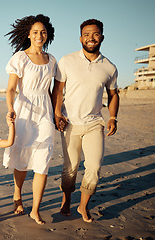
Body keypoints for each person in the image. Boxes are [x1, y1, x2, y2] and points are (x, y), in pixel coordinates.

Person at [52, 19, 119, 223]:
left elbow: (114, 94)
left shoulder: (109, 67)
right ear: (81, 38)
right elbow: (58, 90)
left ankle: (83, 205)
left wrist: (113, 117)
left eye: (96, 34)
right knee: (70, 168)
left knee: (94, 166)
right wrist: (57, 113)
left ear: (102, 37)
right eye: (87, 34)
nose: (91, 38)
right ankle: (66, 198)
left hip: (94, 123)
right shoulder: (66, 61)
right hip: (70, 123)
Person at [2, 15, 57, 224]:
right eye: (35, 32)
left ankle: (35, 209)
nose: (39, 35)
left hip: (45, 110)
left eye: (43, 32)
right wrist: (10, 109)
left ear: (47, 34)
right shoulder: (20, 58)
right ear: (28, 34)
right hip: (24, 110)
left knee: (43, 158)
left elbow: (51, 90)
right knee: (23, 157)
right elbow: (10, 89)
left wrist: (56, 113)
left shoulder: (52, 60)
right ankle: (17, 194)